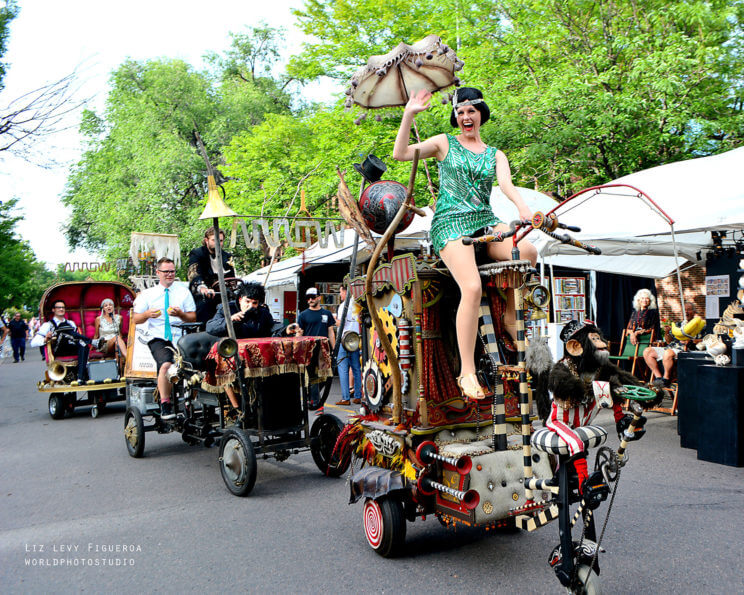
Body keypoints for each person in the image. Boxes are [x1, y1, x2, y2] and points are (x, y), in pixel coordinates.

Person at [392, 87, 536, 401]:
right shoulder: (444, 143)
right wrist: (409, 114)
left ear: (481, 114)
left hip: (484, 219)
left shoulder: (495, 153)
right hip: (452, 223)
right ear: (456, 116)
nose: (465, 117)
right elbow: (400, 153)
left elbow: (507, 185)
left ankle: (511, 316)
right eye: (460, 112)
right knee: (471, 287)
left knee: (527, 252)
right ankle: (467, 371)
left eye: (471, 111)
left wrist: (524, 210)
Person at [133, 257, 197, 420]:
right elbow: (136, 319)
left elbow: (192, 317)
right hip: (159, 337)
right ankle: (165, 404)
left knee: (195, 366)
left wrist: (180, 314)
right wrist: (147, 314)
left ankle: (193, 401)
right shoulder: (148, 294)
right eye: (166, 272)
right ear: (158, 273)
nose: (169, 275)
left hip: (180, 336)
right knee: (166, 365)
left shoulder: (183, 292)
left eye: (172, 271)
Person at [206, 281, 275, 412]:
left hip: (254, 354)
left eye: (254, 303)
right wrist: (230, 320)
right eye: (247, 302)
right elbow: (210, 327)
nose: (250, 306)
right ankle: (237, 410)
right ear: (240, 299)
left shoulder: (263, 313)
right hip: (230, 354)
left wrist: (286, 330)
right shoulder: (226, 308)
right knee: (225, 368)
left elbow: (271, 330)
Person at [30, 300, 105, 382]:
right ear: (53, 310)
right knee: (64, 333)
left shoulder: (71, 323)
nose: (61, 309)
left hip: (73, 346)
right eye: (58, 307)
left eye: (63, 307)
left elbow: (77, 338)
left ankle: (80, 377)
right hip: (60, 348)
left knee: (83, 344)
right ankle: (92, 342)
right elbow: (33, 343)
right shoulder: (48, 325)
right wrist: (46, 339)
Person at [288, 287, 336, 408]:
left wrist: (334, 348)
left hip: (324, 349)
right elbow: (300, 332)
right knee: (312, 376)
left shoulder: (327, 314)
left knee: (327, 376)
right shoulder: (303, 315)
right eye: (308, 298)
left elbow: (331, 332)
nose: (310, 300)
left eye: (313, 297)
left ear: (319, 297)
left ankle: (312, 396)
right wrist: (296, 347)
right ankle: (315, 402)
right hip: (308, 350)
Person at [188, 226, 237, 325]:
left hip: (224, 294)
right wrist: (202, 287)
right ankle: (203, 330)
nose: (218, 243)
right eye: (214, 240)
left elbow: (232, 276)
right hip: (205, 294)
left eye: (221, 240)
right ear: (206, 240)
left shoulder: (227, 256)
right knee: (204, 305)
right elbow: (194, 274)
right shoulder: (197, 254)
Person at [642, 301, 697, 388]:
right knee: (647, 351)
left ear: (694, 312)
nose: (686, 312)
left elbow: (702, 340)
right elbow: (668, 341)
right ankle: (658, 377)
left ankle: (666, 379)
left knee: (668, 352)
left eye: (689, 310)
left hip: (684, 350)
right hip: (670, 348)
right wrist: (667, 333)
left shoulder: (698, 325)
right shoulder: (678, 324)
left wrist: (690, 340)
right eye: (684, 310)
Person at [335, 284, 362, 407]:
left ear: (345, 291)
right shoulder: (357, 304)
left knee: (343, 368)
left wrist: (334, 320)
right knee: (356, 368)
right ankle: (358, 396)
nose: (340, 294)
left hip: (345, 340)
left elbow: (341, 323)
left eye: (341, 292)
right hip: (355, 339)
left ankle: (346, 397)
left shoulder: (343, 306)